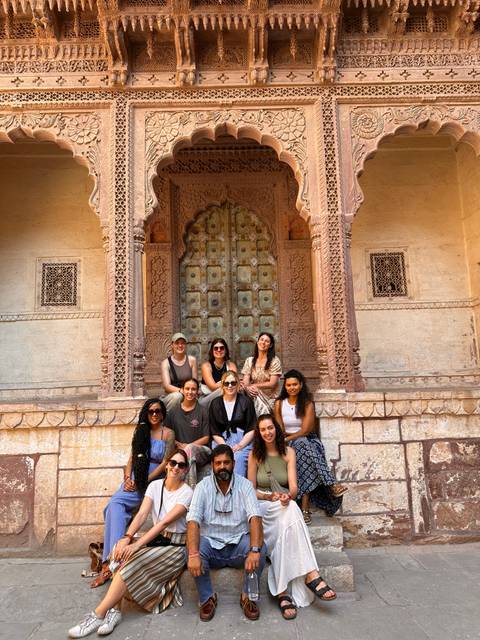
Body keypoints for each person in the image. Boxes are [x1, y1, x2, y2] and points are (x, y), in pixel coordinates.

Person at [68, 449, 193, 638]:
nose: (176, 467)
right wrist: (126, 538)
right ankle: (115, 612)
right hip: (156, 541)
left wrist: (136, 545)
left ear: (186, 470)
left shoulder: (187, 492)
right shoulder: (155, 486)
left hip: (174, 548)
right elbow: (142, 514)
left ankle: (97, 615)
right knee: (118, 553)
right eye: (173, 463)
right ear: (166, 465)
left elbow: (164, 523)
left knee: (131, 560)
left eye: (181, 465)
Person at [248, 414, 338, 620]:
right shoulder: (255, 455)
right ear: (259, 434)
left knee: (291, 511)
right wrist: (268, 496)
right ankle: (312, 575)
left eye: (270, 428)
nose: (267, 433)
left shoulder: (288, 452)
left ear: (276, 430)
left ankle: (282, 593)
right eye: (263, 430)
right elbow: (250, 489)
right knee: (292, 513)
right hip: (262, 506)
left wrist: (288, 496)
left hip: (283, 503)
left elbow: (294, 487)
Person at [91, 398, 175, 588]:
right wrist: (128, 478)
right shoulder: (141, 431)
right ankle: (111, 561)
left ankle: (110, 563)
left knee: (113, 508)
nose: (154, 415)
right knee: (113, 506)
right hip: (134, 477)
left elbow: (165, 462)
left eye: (158, 411)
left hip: (151, 481)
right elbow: (130, 458)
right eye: (151, 411)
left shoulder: (168, 434)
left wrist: (143, 481)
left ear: (163, 414)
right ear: (146, 413)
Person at [186, 445, 267, 622]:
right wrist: (193, 554)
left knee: (260, 549)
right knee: (193, 549)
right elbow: (193, 521)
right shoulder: (202, 487)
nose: (222, 467)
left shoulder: (245, 485)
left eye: (226, 462)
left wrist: (254, 550)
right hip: (211, 546)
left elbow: (255, 518)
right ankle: (207, 597)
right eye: (218, 463)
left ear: (233, 463)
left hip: (238, 544)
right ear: (212, 466)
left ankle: (248, 596)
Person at [274, 369, 347, 524]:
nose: (291, 387)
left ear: (301, 385)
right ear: (284, 386)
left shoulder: (307, 404)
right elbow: (280, 428)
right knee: (301, 450)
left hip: (308, 440)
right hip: (287, 440)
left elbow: (306, 430)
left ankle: (305, 509)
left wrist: (291, 437)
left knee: (302, 449)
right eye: (288, 385)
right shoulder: (279, 404)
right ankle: (330, 484)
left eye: (295, 384)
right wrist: (287, 438)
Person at [165, 378, 211, 487]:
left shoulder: (203, 411)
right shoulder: (173, 411)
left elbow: (206, 438)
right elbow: (167, 433)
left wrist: (189, 446)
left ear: (198, 392)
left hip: (201, 451)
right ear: (182, 390)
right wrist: (177, 443)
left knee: (190, 449)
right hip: (179, 450)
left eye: (193, 389)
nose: (190, 392)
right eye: (187, 389)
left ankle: (189, 490)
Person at [209, 370, 256, 477]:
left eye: (233, 383)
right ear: (222, 385)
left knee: (238, 458)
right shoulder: (215, 403)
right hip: (221, 440)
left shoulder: (246, 402)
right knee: (220, 459)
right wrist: (224, 446)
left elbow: (251, 427)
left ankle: (237, 491)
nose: (230, 386)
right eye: (226, 383)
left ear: (238, 384)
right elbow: (214, 429)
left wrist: (240, 445)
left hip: (242, 440)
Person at [241, 333, 282, 416]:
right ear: (257, 342)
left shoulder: (274, 361)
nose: (263, 342)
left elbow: (272, 384)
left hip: (269, 398)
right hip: (252, 393)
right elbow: (246, 381)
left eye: (267, 341)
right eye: (261, 340)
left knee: (254, 393)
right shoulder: (249, 361)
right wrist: (248, 388)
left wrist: (254, 386)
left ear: (270, 345)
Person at [161, 333, 198, 412]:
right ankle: (168, 420)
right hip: (172, 396)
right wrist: (182, 391)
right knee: (178, 396)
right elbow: (167, 386)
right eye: (177, 343)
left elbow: (195, 382)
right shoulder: (166, 363)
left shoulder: (192, 360)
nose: (180, 345)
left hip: (189, 393)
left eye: (182, 343)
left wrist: (190, 392)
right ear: (172, 345)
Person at [199, 337, 237, 408]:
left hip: (225, 397)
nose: (219, 350)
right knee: (226, 389)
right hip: (207, 398)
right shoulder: (206, 366)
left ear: (225, 350)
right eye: (216, 348)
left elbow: (235, 382)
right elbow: (213, 387)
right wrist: (229, 383)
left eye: (222, 348)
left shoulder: (231, 365)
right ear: (212, 351)